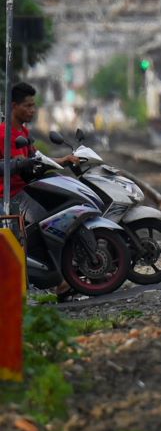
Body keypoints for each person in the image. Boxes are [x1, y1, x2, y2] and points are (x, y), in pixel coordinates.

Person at [2, 82, 77, 294]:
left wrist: (63, 160)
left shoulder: (23, 131)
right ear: (13, 106)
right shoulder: (5, 134)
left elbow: (35, 158)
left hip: (26, 190)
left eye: (34, 106)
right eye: (27, 106)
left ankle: (62, 276)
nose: (32, 110)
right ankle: (57, 281)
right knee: (50, 222)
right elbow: (22, 164)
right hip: (11, 195)